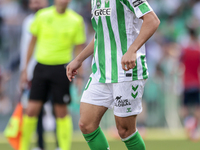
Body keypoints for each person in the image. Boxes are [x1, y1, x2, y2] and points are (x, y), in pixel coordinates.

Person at [67, 0, 160, 149]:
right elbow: (101, 34)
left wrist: (132, 50)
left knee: (125, 130)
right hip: (101, 71)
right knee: (86, 124)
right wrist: (79, 59)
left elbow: (153, 20)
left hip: (126, 72)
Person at [20, 0, 86, 149]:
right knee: (31, 110)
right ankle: (23, 147)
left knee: (61, 112)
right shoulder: (42, 16)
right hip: (41, 68)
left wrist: (79, 76)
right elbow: (31, 43)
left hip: (62, 69)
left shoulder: (76, 20)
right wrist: (24, 70)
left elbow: (78, 49)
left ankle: (63, 147)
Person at [19, 0, 48, 150]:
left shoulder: (50, 17)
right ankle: (39, 145)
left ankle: (60, 146)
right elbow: (25, 48)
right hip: (32, 74)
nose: (36, 3)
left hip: (50, 69)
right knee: (34, 110)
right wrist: (23, 71)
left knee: (57, 109)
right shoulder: (27, 22)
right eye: (33, 1)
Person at [179, 27, 200, 140]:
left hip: (186, 82)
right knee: (197, 106)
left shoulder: (185, 50)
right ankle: (195, 128)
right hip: (196, 83)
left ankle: (188, 125)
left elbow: (179, 63)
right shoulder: (198, 51)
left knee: (185, 106)